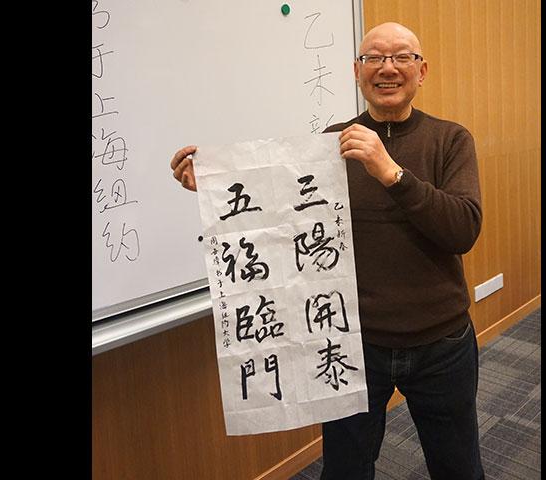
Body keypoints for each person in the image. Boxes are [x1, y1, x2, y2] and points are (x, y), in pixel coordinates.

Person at [171, 22, 484, 480]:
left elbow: (463, 230)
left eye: (401, 57)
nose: (387, 67)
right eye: (373, 57)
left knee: (457, 466)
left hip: (442, 341)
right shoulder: (332, 141)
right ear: (356, 72)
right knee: (345, 468)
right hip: (350, 340)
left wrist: (390, 172)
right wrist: (214, 187)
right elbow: (283, 218)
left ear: (423, 71)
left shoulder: (451, 139)